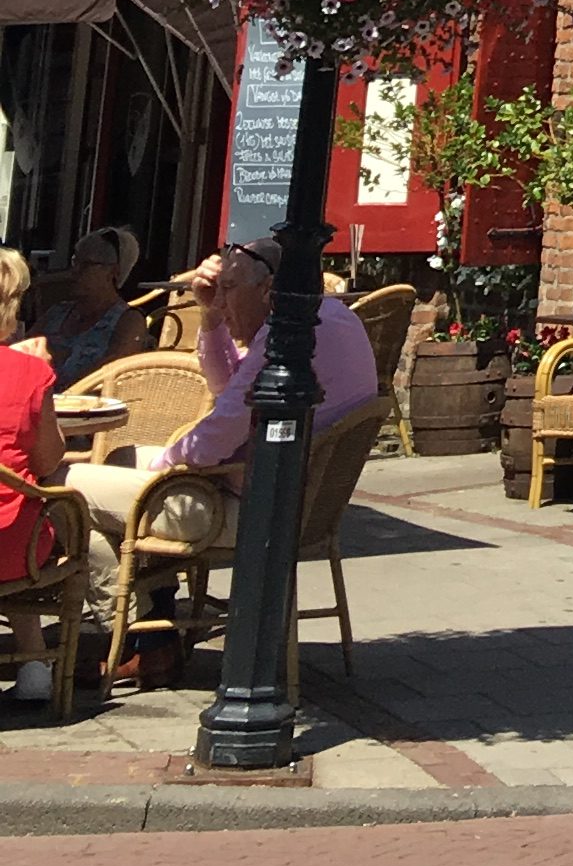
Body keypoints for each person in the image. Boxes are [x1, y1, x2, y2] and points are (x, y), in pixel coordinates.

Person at [69, 242, 380, 621]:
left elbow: (216, 436)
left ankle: (137, 632)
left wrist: (165, 467)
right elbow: (227, 388)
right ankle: (156, 618)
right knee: (122, 458)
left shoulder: (289, 336)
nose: (220, 295)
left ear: (267, 290)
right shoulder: (332, 317)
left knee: (64, 490)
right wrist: (213, 316)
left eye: (229, 288)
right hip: (300, 504)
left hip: (251, 511)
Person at [0, 251, 73, 706]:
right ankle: (33, 664)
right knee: (32, 507)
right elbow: (47, 461)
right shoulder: (30, 372)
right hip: (11, 548)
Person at [35, 227, 141, 389]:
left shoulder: (128, 321)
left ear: (113, 272)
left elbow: (115, 375)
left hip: (87, 406)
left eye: (86, 265)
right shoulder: (57, 313)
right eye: (75, 261)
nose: (75, 271)